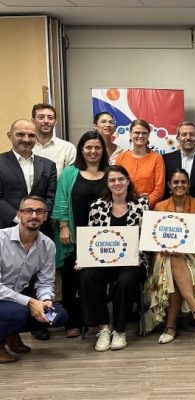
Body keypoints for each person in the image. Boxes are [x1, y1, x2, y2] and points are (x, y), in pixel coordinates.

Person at [80, 165, 149, 351]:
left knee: (126, 279)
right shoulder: (97, 207)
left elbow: (147, 237)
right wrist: (84, 259)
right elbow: (92, 239)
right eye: (112, 180)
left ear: (128, 181)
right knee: (87, 275)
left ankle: (119, 330)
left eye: (121, 179)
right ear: (107, 183)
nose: (117, 183)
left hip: (134, 261)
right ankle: (103, 328)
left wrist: (140, 256)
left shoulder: (141, 205)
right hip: (104, 261)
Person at [52, 131, 108, 338]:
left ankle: (95, 320)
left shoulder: (110, 172)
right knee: (70, 278)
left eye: (97, 147)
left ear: (103, 150)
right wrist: (64, 226)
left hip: (102, 238)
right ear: (81, 150)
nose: (93, 151)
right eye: (89, 147)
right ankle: (72, 322)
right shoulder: (70, 172)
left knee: (95, 279)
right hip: (74, 235)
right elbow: (60, 200)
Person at [145, 168, 195, 344]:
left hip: (192, 255)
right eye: (176, 182)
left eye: (183, 182)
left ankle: (171, 326)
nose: (179, 185)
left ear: (188, 185)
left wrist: (176, 248)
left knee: (174, 264)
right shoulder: (159, 206)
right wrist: (166, 246)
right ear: (169, 185)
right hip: (163, 254)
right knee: (171, 258)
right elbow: (156, 236)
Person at [0, 195, 67, 364]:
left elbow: (45, 281)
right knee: (18, 313)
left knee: (57, 315)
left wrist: (45, 300)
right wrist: (30, 302)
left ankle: (10, 332)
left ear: (45, 216)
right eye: (28, 210)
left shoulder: (48, 245)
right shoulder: (1, 239)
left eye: (39, 211)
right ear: (19, 214)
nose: (34, 215)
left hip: (18, 297)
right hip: (5, 297)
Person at [0, 119, 57, 232]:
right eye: (20, 134)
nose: (26, 139)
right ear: (9, 135)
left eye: (31, 135)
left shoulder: (49, 165)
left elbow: (51, 197)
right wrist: (18, 218)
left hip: (40, 230)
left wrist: (38, 217)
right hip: (6, 227)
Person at [115, 119, 165, 208]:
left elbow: (159, 188)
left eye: (144, 133)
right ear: (130, 134)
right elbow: (116, 183)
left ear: (148, 135)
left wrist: (147, 202)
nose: (140, 135)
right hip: (124, 207)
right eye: (137, 132)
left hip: (148, 209)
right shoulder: (121, 158)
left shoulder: (157, 158)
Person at [31, 103, 76, 178]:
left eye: (50, 118)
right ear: (33, 121)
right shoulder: (27, 147)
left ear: (55, 122)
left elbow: (70, 179)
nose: (46, 121)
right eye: (41, 117)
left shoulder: (68, 148)